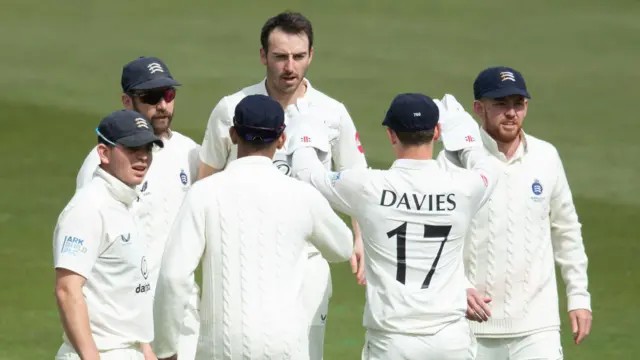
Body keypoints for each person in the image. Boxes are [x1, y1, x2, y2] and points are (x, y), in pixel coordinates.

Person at [196, 11, 367, 359]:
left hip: (309, 261)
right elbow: (206, 178)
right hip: (242, 259)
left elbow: (355, 179)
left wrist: (360, 238)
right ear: (263, 56)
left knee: (307, 352)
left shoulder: (332, 112)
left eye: (299, 57)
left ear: (311, 55)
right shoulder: (231, 108)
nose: (290, 67)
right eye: (280, 57)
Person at [286, 93, 502, 359]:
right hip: (450, 341)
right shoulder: (464, 188)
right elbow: (489, 169)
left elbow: (308, 175)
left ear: (391, 135)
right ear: (436, 132)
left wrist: (306, 127)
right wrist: (463, 134)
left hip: (392, 342)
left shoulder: (368, 186)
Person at [152, 94, 354, 360]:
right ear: (282, 139)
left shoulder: (203, 193)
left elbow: (173, 277)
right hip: (287, 349)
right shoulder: (302, 196)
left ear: (233, 134)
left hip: (219, 349)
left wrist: (166, 350)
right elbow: (343, 247)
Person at [436, 66, 592, 360]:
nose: (511, 113)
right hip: (468, 327)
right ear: (478, 108)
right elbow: (438, 236)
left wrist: (579, 296)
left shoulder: (546, 157)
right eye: (500, 104)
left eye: (518, 104)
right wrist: (461, 287)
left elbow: (566, 228)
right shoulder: (453, 161)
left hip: (536, 327)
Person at [75, 56, 202, 360]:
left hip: (181, 311)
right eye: (151, 97)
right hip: (127, 320)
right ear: (126, 101)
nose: (163, 105)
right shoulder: (102, 164)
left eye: (168, 95)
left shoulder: (189, 152)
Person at [53, 109, 163, 360]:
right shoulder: (88, 208)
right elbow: (67, 290)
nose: (142, 157)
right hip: (100, 353)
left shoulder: (125, 205)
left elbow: (128, 287)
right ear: (104, 153)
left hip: (129, 350)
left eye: (147, 149)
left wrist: (145, 350)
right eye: (132, 149)